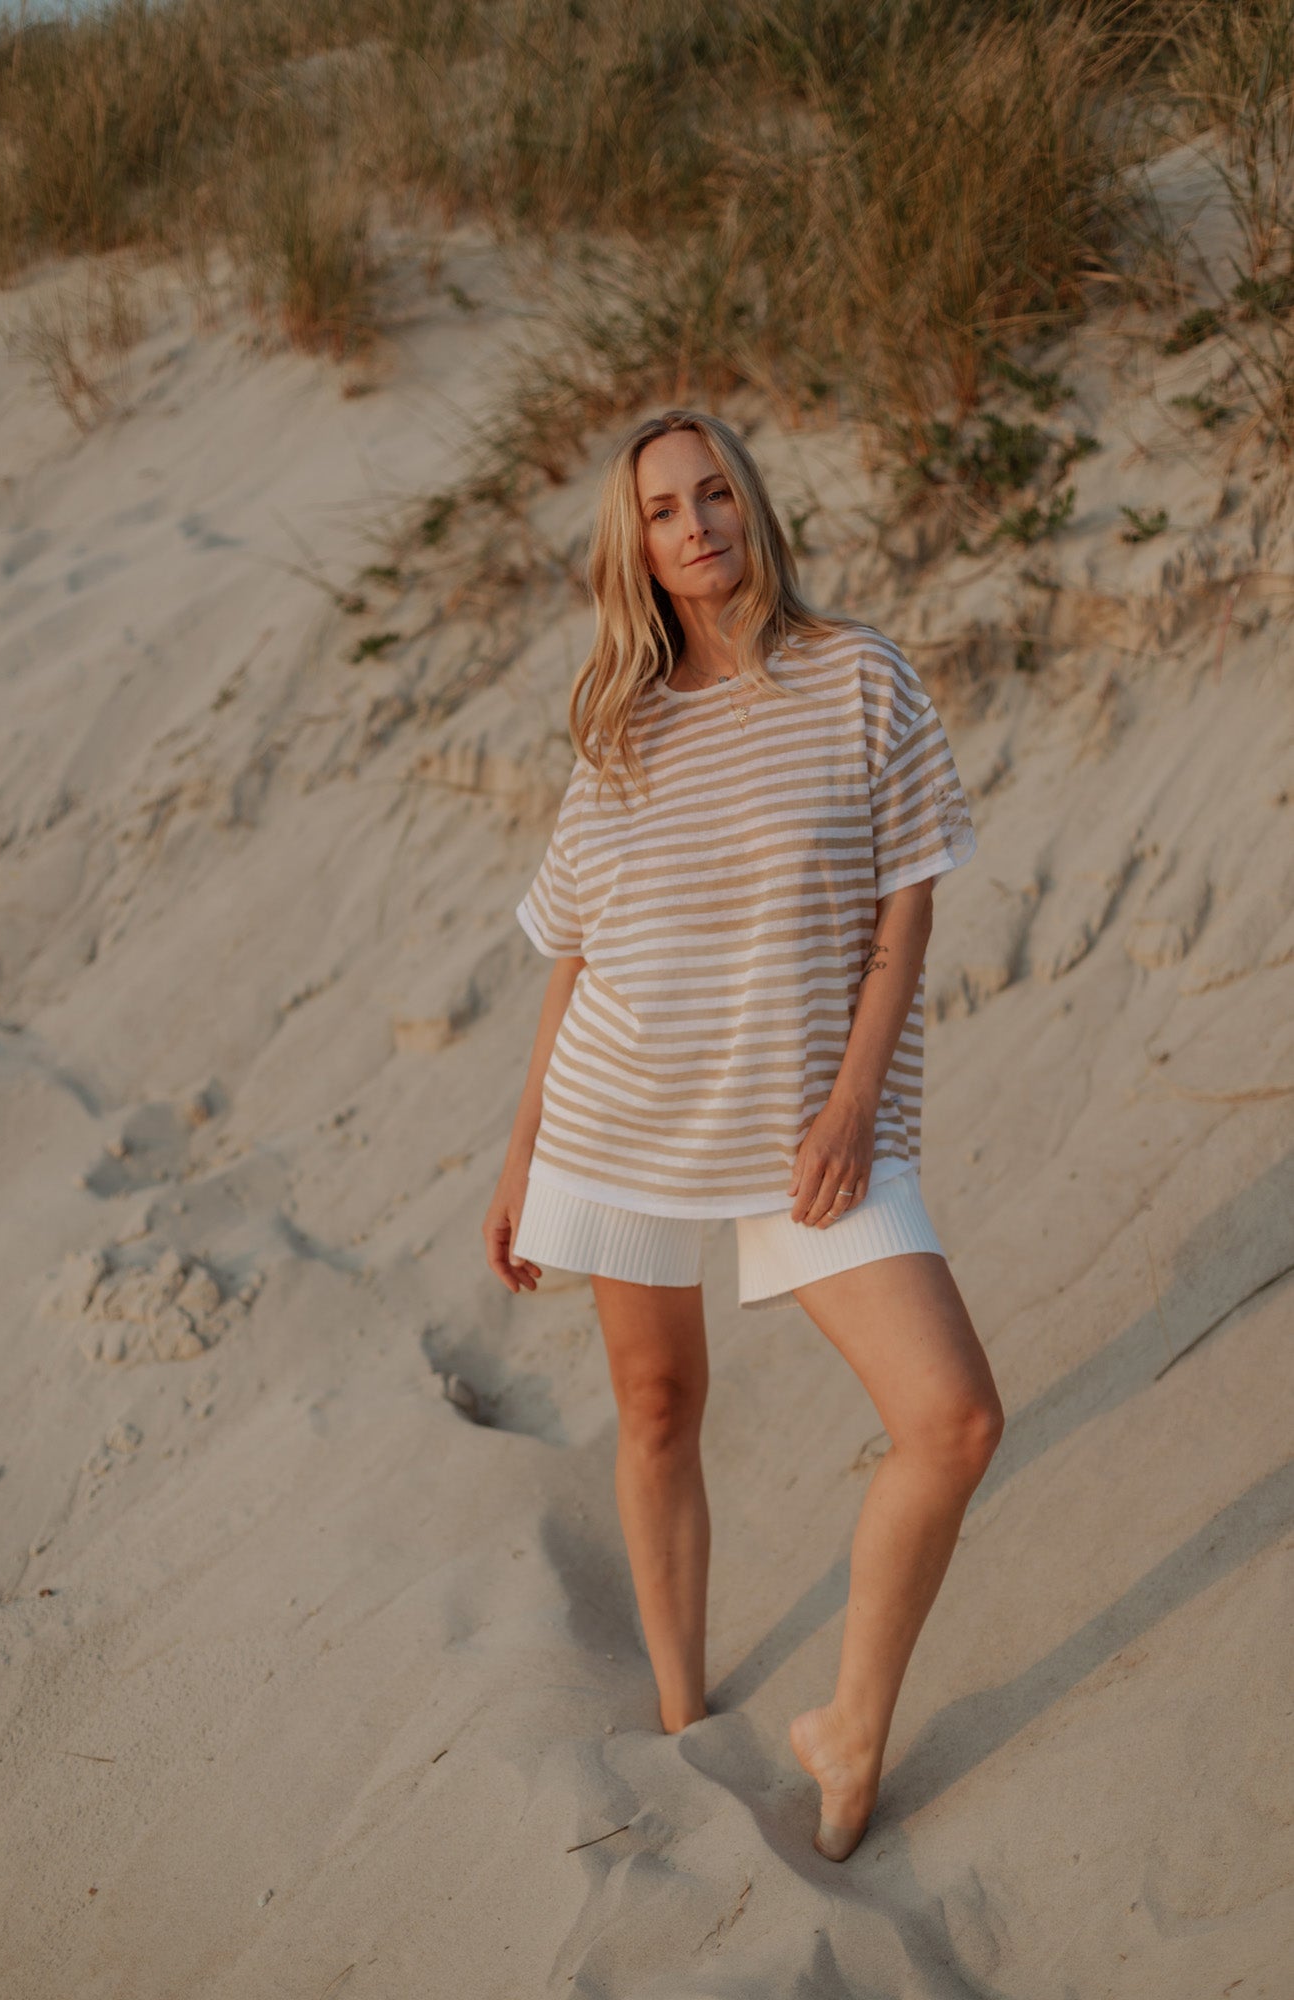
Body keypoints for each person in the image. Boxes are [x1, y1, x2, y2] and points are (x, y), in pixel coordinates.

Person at [481, 407, 1004, 1863]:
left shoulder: (858, 677)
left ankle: (850, 1724)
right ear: (637, 550)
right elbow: (576, 952)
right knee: (656, 1407)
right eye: (662, 510)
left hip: (811, 1128)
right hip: (623, 1110)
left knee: (952, 1419)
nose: (696, 524)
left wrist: (852, 1103)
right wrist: (523, 1152)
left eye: (714, 493)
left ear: (752, 507)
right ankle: (678, 1721)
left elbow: (907, 905)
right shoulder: (620, 728)